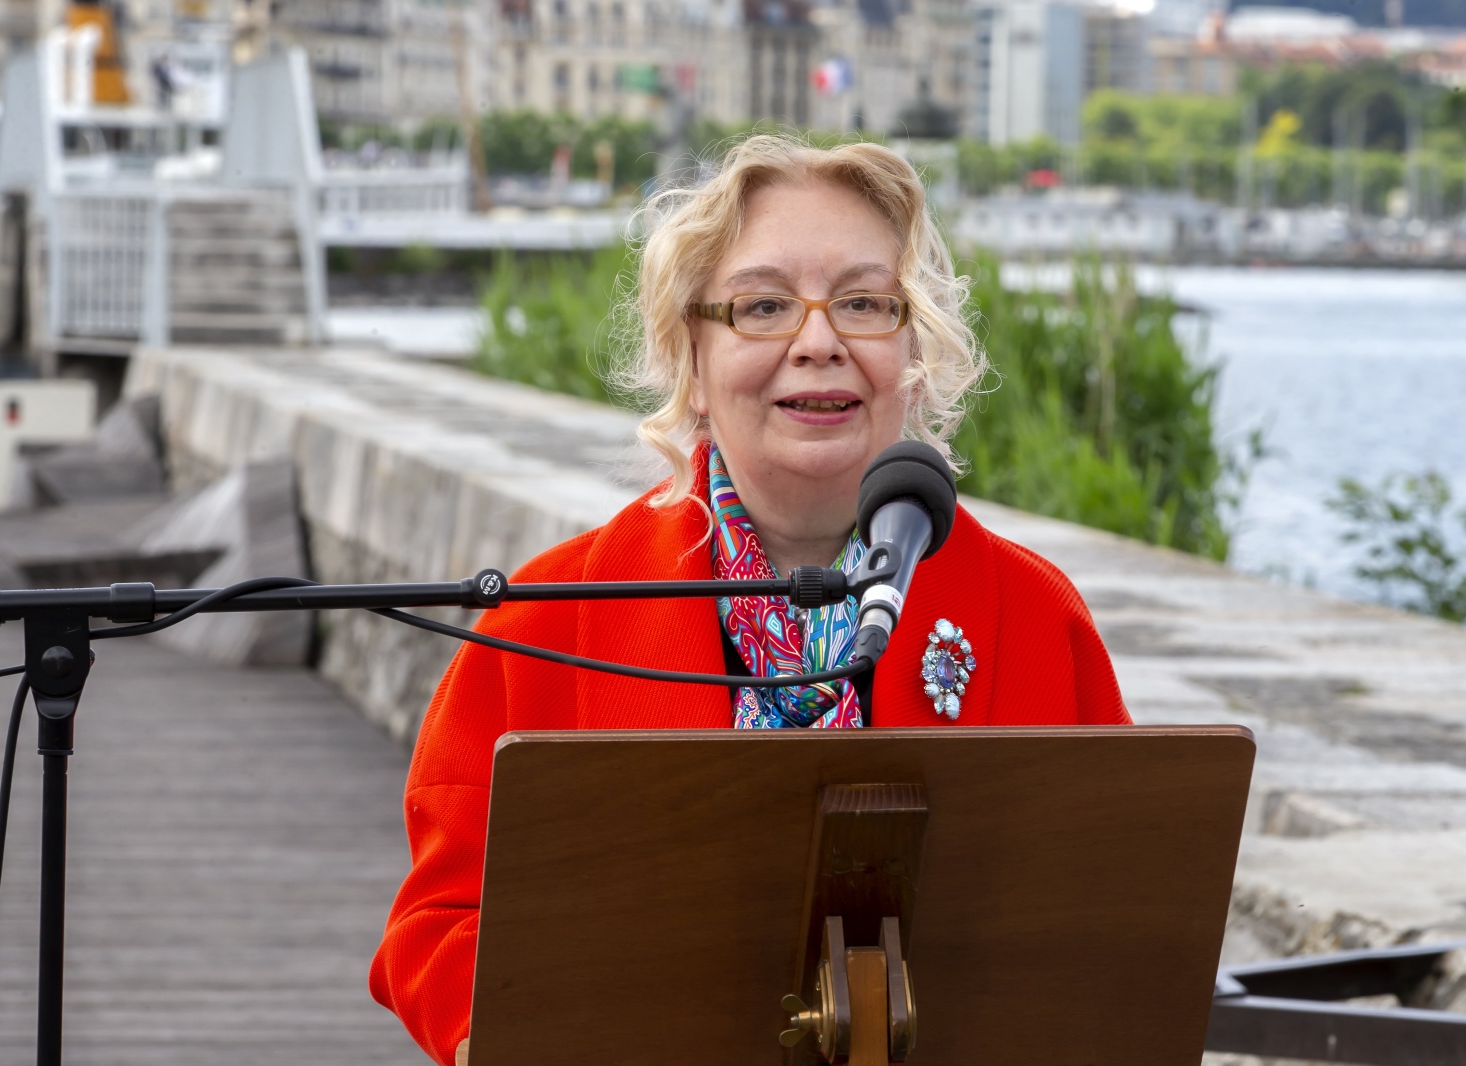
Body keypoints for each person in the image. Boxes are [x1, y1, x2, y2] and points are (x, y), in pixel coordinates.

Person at [369, 135, 1131, 1066]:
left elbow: (1116, 925)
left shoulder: (1038, 614)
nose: (818, 343)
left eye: (863, 303)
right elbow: (439, 926)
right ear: (690, 355)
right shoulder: (541, 621)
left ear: (916, 350)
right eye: (763, 306)